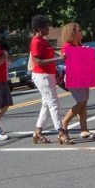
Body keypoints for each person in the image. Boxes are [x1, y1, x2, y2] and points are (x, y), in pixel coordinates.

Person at [29, 15, 71, 145]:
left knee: (47, 105)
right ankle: (61, 132)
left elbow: (52, 55)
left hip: (48, 75)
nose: (48, 28)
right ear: (39, 28)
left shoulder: (43, 41)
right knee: (54, 103)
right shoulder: (36, 41)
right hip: (42, 76)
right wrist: (57, 59)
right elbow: (38, 61)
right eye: (46, 26)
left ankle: (37, 132)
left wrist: (61, 57)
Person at [59, 22, 95, 140]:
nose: (81, 32)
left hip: (83, 77)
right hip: (74, 78)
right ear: (72, 32)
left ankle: (84, 130)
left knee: (84, 104)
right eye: (79, 30)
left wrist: (89, 54)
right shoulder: (67, 46)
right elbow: (72, 61)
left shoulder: (79, 45)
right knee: (81, 102)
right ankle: (64, 122)